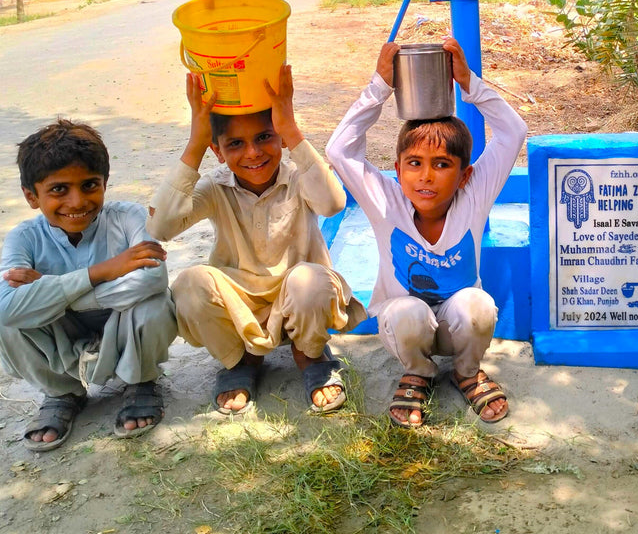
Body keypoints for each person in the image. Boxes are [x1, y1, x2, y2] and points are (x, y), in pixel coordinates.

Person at [325, 37, 527, 428]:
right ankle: (418, 372)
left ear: (465, 175)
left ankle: (467, 372)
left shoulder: (473, 196)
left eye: (441, 164)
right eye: (414, 163)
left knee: (478, 305)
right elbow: (340, 151)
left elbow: (512, 133)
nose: (426, 176)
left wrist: (469, 83)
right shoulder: (385, 202)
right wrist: (380, 87)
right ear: (397, 171)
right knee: (407, 310)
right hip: (405, 329)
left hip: (457, 329)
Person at [147, 65, 366, 415]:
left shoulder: (298, 177)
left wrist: (292, 131)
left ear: (278, 137)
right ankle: (241, 360)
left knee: (309, 280)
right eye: (235, 144)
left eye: (264, 137)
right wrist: (195, 143)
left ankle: (309, 355)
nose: (253, 153)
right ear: (217, 151)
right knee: (190, 284)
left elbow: (333, 203)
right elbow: (161, 227)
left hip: (298, 296)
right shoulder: (215, 186)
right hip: (242, 303)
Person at [0, 120, 177, 451]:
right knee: (8, 322)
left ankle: (139, 382)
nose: (78, 201)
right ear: (31, 196)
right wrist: (104, 271)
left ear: (105, 183)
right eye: (58, 189)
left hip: (123, 327)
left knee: (155, 302)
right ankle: (61, 392)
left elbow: (154, 277)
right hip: (60, 335)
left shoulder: (128, 218)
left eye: (89, 185)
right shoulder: (24, 237)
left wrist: (56, 291)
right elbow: (7, 307)